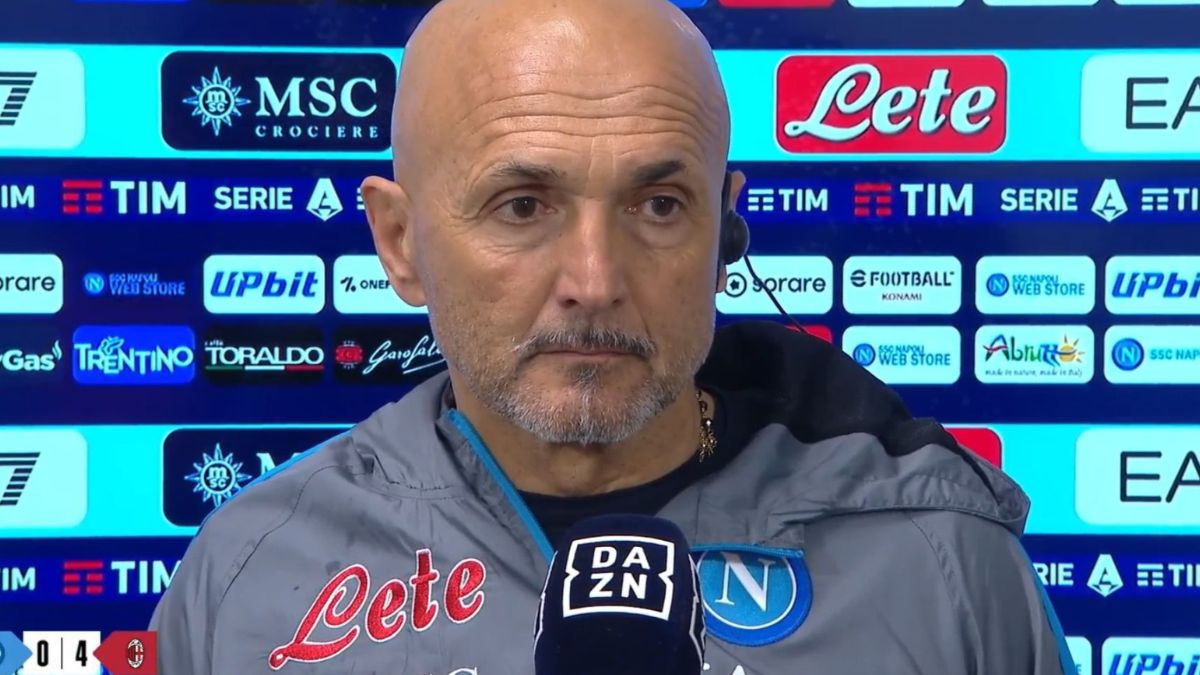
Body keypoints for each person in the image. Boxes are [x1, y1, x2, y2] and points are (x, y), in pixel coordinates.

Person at [151, 0, 1077, 672]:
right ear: (400, 243)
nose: (593, 281)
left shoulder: (940, 562)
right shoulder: (246, 575)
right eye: (523, 205)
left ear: (723, 231)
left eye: (658, 205)